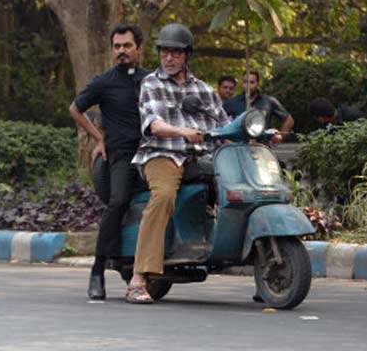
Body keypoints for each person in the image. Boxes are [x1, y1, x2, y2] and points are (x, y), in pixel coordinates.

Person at [125, 23, 230, 304]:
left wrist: (263, 135)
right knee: (164, 197)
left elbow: (225, 126)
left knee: (237, 190)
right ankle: (139, 277)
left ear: (187, 56)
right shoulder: (151, 84)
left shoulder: (205, 90)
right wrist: (183, 132)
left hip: (201, 157)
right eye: (164, 52)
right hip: (162, 154)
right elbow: (154, 124)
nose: (169, 58)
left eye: (176, 53)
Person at [69, 23, 149, 301]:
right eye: (117, 46)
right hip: (121, 155)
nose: (122, 51)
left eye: (127, 46)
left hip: (154, 153)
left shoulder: (151, 80)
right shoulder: (105, 81)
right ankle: (97, 270)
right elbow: (75, 109)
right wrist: (98, 139)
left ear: (138, 47)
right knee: (118, 201)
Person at [223, 70, 294, 133]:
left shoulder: (268, 101)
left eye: (252, 82)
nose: (248, 86)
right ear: (242, 83)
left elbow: (289, 120)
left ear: (257, 84)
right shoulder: (232, 103)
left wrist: (280, 136)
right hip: (239, 146)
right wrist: (227, 140)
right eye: (245, 82)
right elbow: (219, 123)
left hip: (262, 146)